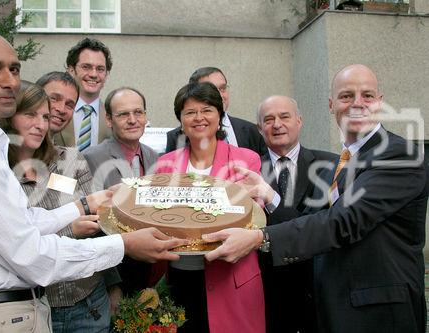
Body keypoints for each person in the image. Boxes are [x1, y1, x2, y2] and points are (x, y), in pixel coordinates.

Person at [0, 31, 186, 333]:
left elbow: (22, 223)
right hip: (2, 313)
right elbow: (30, 252)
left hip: (53, 304)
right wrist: (122, 244)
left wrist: (85, 204)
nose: (9, 80)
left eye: (14, 69)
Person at [203, 64, 428, 333]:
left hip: (379, 313)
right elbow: (314, 222)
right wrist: (267, 194)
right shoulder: (345, 162)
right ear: (332, 105)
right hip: (336, 307)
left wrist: (260, 237)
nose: (357, 104)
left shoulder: (398, 155)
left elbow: (343, 221)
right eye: (346, 96)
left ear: (380, 102)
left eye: (367, 96)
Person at [1, 80, 122, 332]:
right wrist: (71, 230)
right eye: (32, 113)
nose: (43, 122)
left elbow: (100, 223)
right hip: (37, 307)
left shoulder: (71, 160)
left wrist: (113, 285)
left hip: (90, 301)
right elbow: (14, 244)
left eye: (69, 103)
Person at [155, 82, 265, 333]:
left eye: (207, 109)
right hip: (179, 276)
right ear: (181, 121)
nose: (199, 118)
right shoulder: (164, 164)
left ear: (219, 117)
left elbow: (251, 213)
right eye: (190, 112)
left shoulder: (245, 159)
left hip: (230, 276)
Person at [256, 95, 337, 333]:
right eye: (268, 120)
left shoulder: (330, 166)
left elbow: (321, 225)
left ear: (299, 121)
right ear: (260, 129)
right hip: (266, 292)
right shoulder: (249, 171)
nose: (277, 124)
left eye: (284, 116)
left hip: (315, 290)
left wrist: (272, 200)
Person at [83, 87, 158, 295]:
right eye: (123, 114)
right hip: (112, 269)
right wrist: (111, 284)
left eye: (138, 112)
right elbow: (91, 228)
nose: (132, 120)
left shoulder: (154, 157)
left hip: (149, 268)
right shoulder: (90, 159)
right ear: (109, 120)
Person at [165, 66, 266, 156]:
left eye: (222, 88)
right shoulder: (175, 138)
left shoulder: (251, 131)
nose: (220, 95)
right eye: (211, 90)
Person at [61, 38, 112, 150]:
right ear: (71, 71)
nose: (93, 74)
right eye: (86, 67)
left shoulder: (113, 119)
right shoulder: (55, 113)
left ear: (106, 75)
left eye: (100, 69)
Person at [36, 71, 78, 141]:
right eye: (54, 99)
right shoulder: (12, 146)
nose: (61, 109)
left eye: (69, 105)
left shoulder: (62, 152)